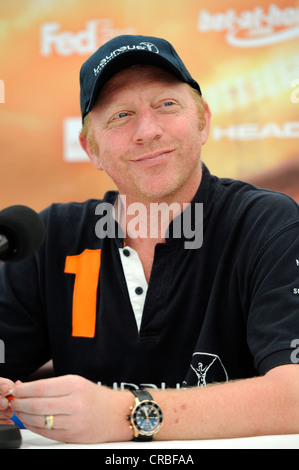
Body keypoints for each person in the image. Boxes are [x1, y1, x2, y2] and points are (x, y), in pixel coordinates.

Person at [0, 34, 299, 444]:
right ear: (92, 148)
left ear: (203, 121)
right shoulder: (51, 238)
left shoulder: (267, 223)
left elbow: (295, 393)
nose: (147, 130)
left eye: (166, 105)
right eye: (121, 115)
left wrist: (130, 414)